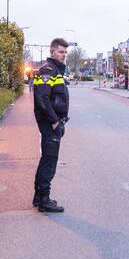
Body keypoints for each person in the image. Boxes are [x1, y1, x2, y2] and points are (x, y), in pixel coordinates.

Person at [32, 37, 71, 212]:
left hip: (52, 121)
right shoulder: (48, 70)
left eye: (65, 52)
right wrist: (54, 120)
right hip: (49, 122)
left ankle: (38, 197)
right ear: (52, 52)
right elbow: (42, 98)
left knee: (46, 159)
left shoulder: (55, 70)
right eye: (61, 52)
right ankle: (44, 200)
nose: (64, 55)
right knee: (49, 161)